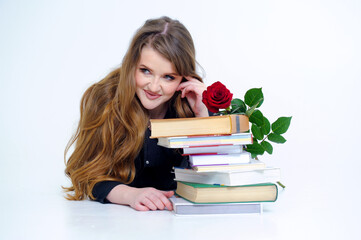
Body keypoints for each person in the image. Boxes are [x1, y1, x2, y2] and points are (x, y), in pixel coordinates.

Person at [63, 16, 209, 211]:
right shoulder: (105, 99)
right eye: (145, 71)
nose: (154, 86)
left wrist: (203, 117)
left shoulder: (190, 105)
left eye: (168, 77)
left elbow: (209, 179)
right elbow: (88, 175)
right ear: (131, 64)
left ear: (184, 77)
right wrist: (130, 195)